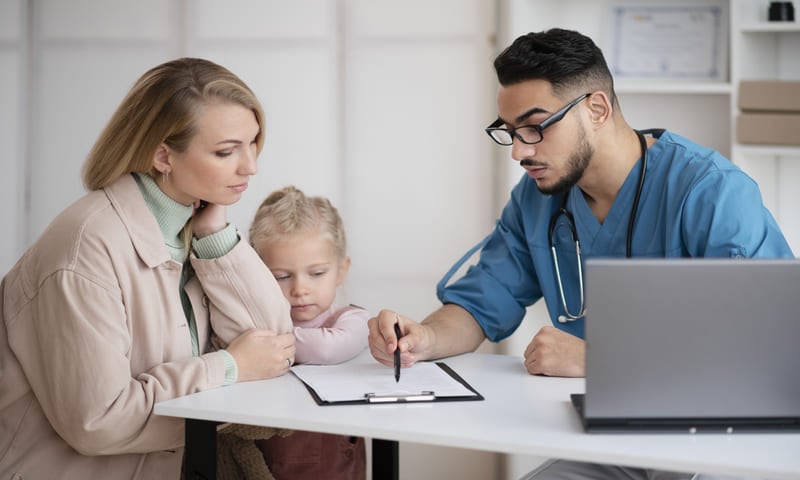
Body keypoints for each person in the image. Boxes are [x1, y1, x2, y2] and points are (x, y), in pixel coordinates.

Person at [367, 28, 794, 480]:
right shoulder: (537, 200)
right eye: (510, 132)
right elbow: (479, 305)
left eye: (534, 127)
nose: (518, 151)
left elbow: (769, 350)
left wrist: (601, 359)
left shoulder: (710, 192)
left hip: (726, 437)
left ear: (596, 109)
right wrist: (423, 339)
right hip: (618, 440)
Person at [0, 57, 296, 479]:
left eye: (253, 144)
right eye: (227, 151)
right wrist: (228, 367)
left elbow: (275, 348)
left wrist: (217, 240)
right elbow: (98, 422)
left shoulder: (191, 229)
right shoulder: (85, 251)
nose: (251, 167)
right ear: (163, 155)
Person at [249, 185, 368, 479]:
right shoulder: (253, 322)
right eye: (281, 276)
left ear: (341, 270)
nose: (300, 289)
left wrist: (267, 343)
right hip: (267, 460)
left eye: (316, 274)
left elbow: (327, 349)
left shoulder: (352, 320)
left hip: (332, 466)